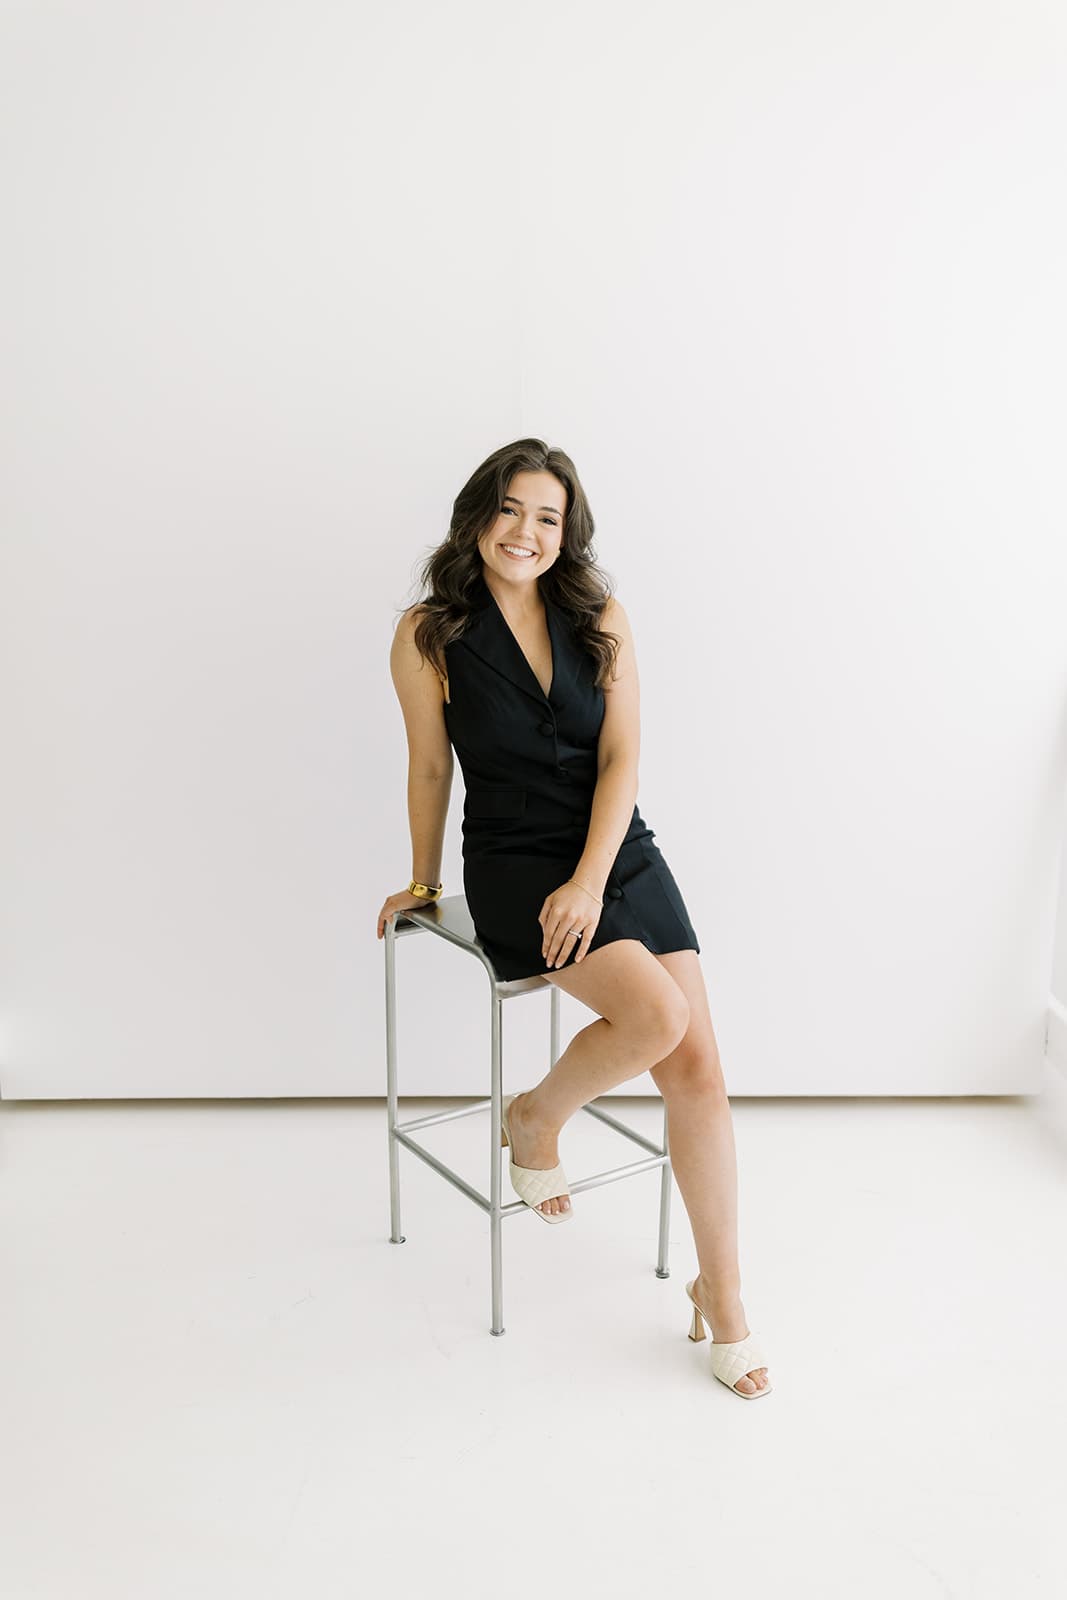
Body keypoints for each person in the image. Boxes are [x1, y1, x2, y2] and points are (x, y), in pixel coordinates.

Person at [376, 439, 771, 1399]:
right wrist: (425, 885)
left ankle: (719, 1292)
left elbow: (622, 758)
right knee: (657, 1019)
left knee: (699, 1069)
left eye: (547, 517)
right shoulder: (430, 633)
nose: (526, 531)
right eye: (510, 510)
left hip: (612, 846)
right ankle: (536, 1120)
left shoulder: (600, 617)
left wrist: (594, 878)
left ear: (567, 531)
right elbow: (433, 769)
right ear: (478, 516)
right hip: (513, 857)